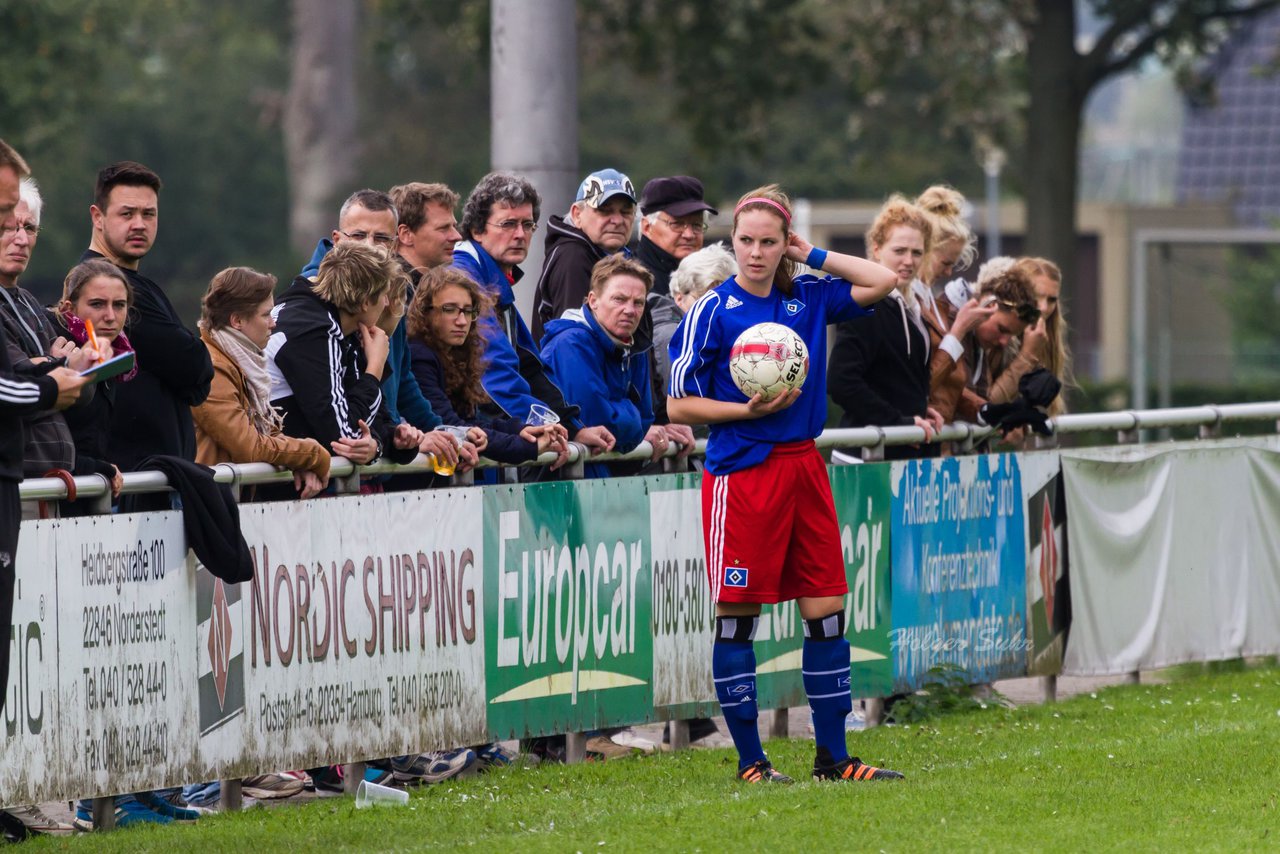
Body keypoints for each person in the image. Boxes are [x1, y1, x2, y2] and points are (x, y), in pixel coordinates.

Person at [667, 184, 904, 784]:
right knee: (737, 617)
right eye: (745, 240)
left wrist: (813, 254)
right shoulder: (711, 310)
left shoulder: (810, 294)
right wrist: (743, 413)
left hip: (804, 466)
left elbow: (883, 281)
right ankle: (751, 762)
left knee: (826, 613)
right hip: (742, 474)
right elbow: (677, 404)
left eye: (768, 242)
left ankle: (834, 758)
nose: (754, 252)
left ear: (784, 245)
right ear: (733, 243)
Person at [0, 141, 88, 840]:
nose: (16, 233)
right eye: (5, 215)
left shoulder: (25, 303)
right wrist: (46, 383)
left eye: (23, 220)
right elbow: (11, 384)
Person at [451, 172, 614, 460]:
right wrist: (546, 426)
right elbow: (494, 372)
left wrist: (570, 426)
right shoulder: (466, 278)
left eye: (527, 225)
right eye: (508, 224)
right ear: (477, 230)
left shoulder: (494, 280)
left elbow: (530, 365)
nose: (520, 234)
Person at [300, 189, 462, 472]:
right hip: (333, 468)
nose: (369, 246)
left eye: (381, 238)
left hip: (380, 457)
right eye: (359, 236)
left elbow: (402, 377)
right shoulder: (312, 300)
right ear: (337, 239)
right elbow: (332, 409)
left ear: (395, 244)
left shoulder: (391, 289)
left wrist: (439, 432)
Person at [80, 161, 213, 476]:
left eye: (148, 214)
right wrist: (193, 365)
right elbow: (193, 362)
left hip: (160, 476)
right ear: (98, 217)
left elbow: (197, 379)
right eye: (127, 214)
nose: (139, 224)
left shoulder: (139, 285)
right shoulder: (99, 286)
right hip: (130, 484)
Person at [267, 240, 421, 470]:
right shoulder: (315, 330)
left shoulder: (340, 327)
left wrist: (392, 441)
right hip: (272, 487)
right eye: (384, 295)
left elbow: (368, 425)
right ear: (366, 302)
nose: (387, 302)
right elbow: (343, 435)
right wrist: (375, 369)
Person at [407, 265, 567, 468]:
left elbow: (471, 422)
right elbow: (451, 426)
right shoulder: (419, 355)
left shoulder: (456, 353)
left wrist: (519, 430)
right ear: (425, 312)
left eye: (468, 311)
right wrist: (528, 447)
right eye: (449, 309)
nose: (462, 321)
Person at [192, 267, 331, 499]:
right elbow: (250, 447)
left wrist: (299, 459)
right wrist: (313, 454)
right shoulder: (212, 367)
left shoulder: (237, 360)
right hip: (207, 502)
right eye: (266, 315)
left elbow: (267, 434)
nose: (273, 324)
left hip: (223, 499)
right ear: (237, 321)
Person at [827, 196, 944, 460]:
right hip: (864, 456)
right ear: (877, 249)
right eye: (899, 250)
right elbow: (840, 381)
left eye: (917, 252)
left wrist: (918, 410)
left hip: (902, 454)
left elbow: (897, 380)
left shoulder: (915, 306)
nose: (909, 261)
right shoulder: (866, 304)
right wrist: (897, 422)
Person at [0, 179, 100, 485]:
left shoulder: (30, 303)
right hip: (15, 480)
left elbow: (81, 393)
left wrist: (65, 368)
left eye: (29, 228)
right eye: (7, 227)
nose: (21, 239)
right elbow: (16, 387)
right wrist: (59, 366)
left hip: (51, 481)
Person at [540, 255, 664, 477]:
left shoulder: (634, 344)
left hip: (605, 476)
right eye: (619, 299)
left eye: (638, 303)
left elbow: (646, 420)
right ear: (593, 301)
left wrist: (623, 415)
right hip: (563, 479)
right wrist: (629, 412)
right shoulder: (571, 342)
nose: (630, 310)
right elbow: (597, 422)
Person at [52, 260, 136, 510]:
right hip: (52, 503)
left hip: (87, 496)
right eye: (97, 304)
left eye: (119, 305)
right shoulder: (57, 349)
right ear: (69, 307)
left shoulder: (114, 355)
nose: (110, 316)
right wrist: (97, 468)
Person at [531, 168, 637, 341]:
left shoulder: (618, 257)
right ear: (577, 214)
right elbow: (573, 342)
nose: (617, 221)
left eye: (625, 212)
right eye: (605, 210)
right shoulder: (573, 258)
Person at [987, 257, 1071, 415]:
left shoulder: (1047, 336)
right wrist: (1027, 355)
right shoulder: (994, 332)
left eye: (1051, 300)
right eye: (1036, 296)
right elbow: (986, 404)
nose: (1044, 308)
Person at [636, 175, 718, 296]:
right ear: (647, 227)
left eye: (696, 225)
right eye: (677, 224)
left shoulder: (714, 277)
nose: (689, 235)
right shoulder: (632, 280)